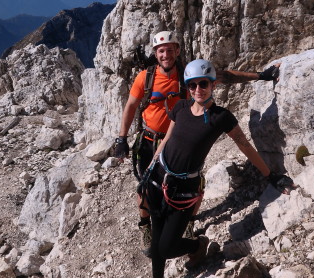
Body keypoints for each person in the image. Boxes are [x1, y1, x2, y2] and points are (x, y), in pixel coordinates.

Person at [140, 58, 294, 278]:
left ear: (212, 85)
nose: (198, 89)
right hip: (158, 179)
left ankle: (197, 246)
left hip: (184, 189)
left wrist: (271, 176)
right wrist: (154, 159)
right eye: (193, 86)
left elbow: (244, 145)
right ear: (187, 87)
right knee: (156, 240)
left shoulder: (220, 117)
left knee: (166, 247)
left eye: (204, 84)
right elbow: (170, 134)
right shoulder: (180, 106)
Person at [113, 31, 280, 256]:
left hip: (180, 139)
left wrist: (260, 76)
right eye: (161, 51)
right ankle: (147, 226)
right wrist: (122, 138)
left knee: (192, 184)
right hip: (150, 139)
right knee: (145, 187)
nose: (166, 55)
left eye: (170, 50)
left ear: (178, 51)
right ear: (155, 53)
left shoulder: (189, 75)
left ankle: (187, 221)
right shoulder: (146, 77)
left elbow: (224, 76)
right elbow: (131, 106)